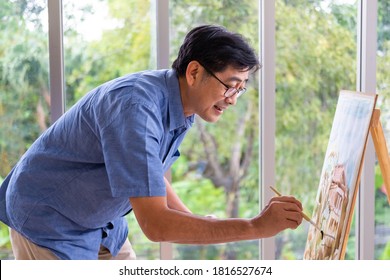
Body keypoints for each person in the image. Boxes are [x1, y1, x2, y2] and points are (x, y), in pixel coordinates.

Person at [0, 24, 303, 260]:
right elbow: (156, 226)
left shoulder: (183, 106)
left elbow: (148, 172)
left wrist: (192, 218)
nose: (233, 100)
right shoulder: (136, 107)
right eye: (230, 87)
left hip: (101, 223)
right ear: (195, 72)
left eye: (241, 89)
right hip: (48, 221)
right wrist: (254, 227)